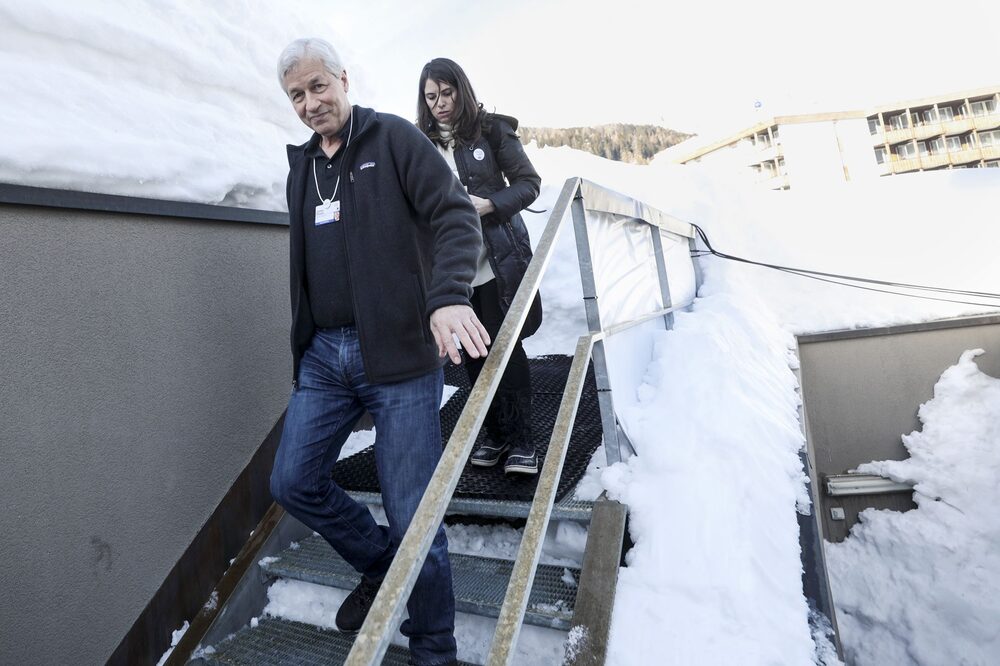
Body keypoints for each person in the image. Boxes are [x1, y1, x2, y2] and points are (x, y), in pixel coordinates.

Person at [269, 38, 489, 666]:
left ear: (342, 78)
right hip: (323, 359)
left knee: (414, 513)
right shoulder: (303, 167)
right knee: (292, 481)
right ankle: (381, 564)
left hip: (397, 358)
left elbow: (454, 216)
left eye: (318, 87)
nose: (311, 103)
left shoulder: (393, 139)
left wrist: (447, 296)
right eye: (297, 96)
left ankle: (433, 649)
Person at [417, 57, 543, 475]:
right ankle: (493, 433)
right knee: (472, 352)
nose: (440, 103)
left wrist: (490, 203)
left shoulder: (492, 130)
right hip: (453, 266)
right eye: (431, 96)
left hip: (498, 257)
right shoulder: (419, 143)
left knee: (506, 346)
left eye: (447, 93)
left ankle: (521, 439)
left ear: (461, 90)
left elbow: (530, 183)